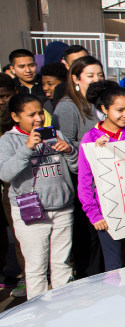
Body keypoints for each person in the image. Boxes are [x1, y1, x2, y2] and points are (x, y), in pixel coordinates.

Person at [0, 93, 78, 299]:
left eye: (40, 113)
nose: (38, 118)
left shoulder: (56, 133)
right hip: (31, 211)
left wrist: (70, 150)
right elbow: (5, 174)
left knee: (62, 265)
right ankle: (39, 317)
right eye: (31, 114)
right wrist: (27, 148)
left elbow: (77, 168)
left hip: (62, 208)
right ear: (16, 117)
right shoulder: (8, 141)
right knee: (36, 268)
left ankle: (65, 307)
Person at [77, 81, 125, 270]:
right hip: (107, 212)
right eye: (120, 110)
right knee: (113, 265)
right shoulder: (90, 138)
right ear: (104, 109)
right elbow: (84, 181)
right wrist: (94, 214)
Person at [53, 56, 103, 149]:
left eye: (100, 75)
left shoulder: (103, 101)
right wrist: (95, 144)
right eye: (90, 76)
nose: (97, 79)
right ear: (75, 79)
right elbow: (65, 143)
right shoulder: (67, 106)